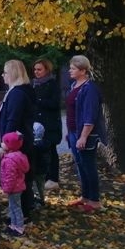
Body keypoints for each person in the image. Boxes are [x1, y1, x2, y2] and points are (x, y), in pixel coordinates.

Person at [65, 55, 106, 213]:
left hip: (86, 134)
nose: (70, 71)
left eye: (73, 68)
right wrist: (70, 133)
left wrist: (83, 136)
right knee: (80, 165)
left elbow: (90, 115)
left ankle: (94, 200)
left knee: (89, 166)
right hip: (74, 132)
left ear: (83, 70)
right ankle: (85, 197)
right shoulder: (74, 85)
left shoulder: (89, 89)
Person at [0, 59, 36, 219]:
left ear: (13, 73)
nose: (2, 75)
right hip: (20, 140)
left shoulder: (17, 94)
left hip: (16, 143)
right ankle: (23, 208)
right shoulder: (20, 91)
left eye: (5, 72)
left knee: (18, 178)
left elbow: (12, 120)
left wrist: (5, 144)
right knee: (22, 176)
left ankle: (23, 212)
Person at [32, 58, 63, 192]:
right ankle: (43, 177)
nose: (36, 72)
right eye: (35, 69)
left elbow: (55, 104)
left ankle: (53, 178)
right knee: (40, 150)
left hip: (50, 124)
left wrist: (38, 101)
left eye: (39, 69)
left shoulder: (52, 84)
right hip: (37, 124)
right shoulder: (34, 84)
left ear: (47, 70)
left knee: (51, 150)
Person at [0, 131, 30, 237]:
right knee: (13, 206)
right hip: (18, 186)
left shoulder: (10, 160)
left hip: (13, 188)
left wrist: (6, 189)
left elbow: (10, 177)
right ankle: (13, 224)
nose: (2, 144)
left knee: (15, 207)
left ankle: (19, 227)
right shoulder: (18, 156)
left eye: (5, 142)